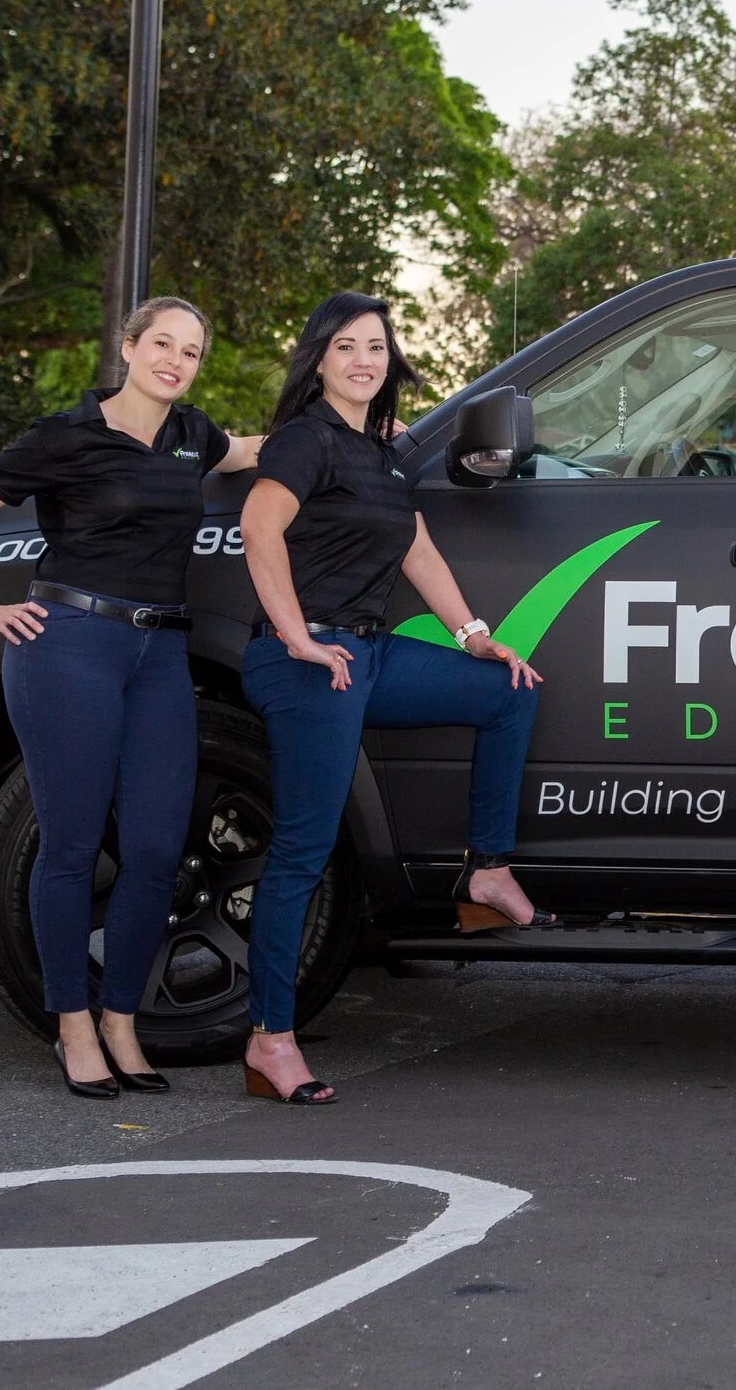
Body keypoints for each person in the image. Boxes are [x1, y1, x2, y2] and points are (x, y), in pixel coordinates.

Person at [0, 297, 261, 1099]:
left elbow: (250, 450)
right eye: (162, 343)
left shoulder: (194, 436)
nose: (175, 361)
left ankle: (122, 1015)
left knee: (156, 849)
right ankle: (73, 1025)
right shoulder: (68, 434)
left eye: (191, 351)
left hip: (161, 652)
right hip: (69, 647)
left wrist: (359, 432)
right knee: (73, 843)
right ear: (128, 346)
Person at [238, 292, 546, 1106]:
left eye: (375, 346)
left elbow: (419, 552)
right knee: (302, 851)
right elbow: (258, 530)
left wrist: (476, 633)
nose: (364, 360)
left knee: (506, 690)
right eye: (346, 347)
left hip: (368, 653)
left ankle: (486, 869)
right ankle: (272, 1040)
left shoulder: (381, 453)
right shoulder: (305, 440)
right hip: (307, 661)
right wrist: (298, 635)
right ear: (319, 359)